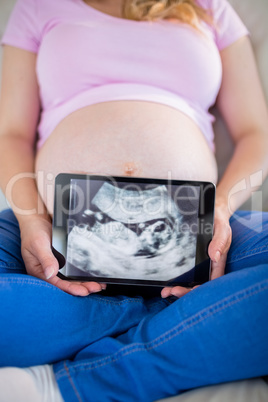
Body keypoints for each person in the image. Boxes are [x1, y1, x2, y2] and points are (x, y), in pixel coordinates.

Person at [0, 0, 267, 401]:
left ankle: (77, 383)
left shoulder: (210, 7)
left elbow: (256, 132)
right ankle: (171, 316)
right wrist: (31, 220)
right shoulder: (37, 7)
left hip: (200, 234)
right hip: (52, 233)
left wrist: (223, 210)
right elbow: (11, 134)